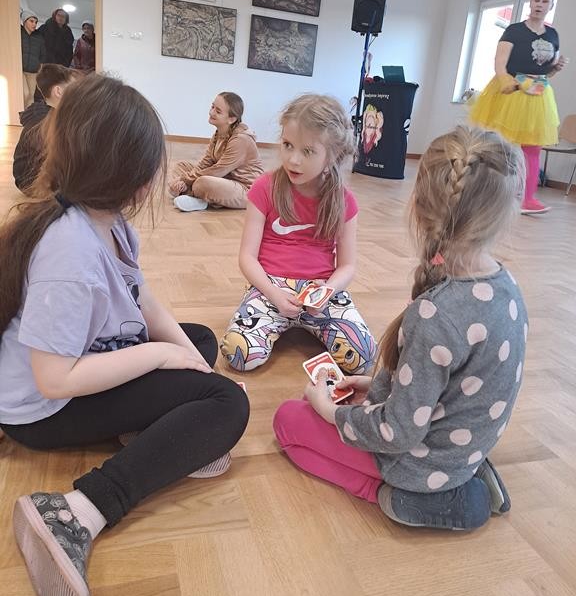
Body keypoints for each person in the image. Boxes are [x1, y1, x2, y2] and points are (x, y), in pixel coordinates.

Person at [0, 74, 249, 596]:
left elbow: (142, 297)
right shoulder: (69, 255)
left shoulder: (104, 221)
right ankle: (76, 511)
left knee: (199, 340)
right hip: (44, 408)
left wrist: (184, 355)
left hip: (80, 364)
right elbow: (53, 380)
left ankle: (149, 430)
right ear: (129, 180)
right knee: (228, 404)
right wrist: (161, 358)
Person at [274, 126, 527, 532]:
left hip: (418, 460)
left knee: (288, 421)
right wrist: (377, 386)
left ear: (420, 207)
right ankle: (462, 474)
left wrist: (331, 412)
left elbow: (397, 433)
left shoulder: (436, 314)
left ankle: (413, 497)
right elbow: (450, 384)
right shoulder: (507, 286)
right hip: (465, 445)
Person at [220, 94, 376, 374]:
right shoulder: (264, 187)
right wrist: (274, 294)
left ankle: (307, 324)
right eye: (288, 145)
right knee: (238, 352)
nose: (293, 159)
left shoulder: (344, 201)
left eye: (308, 151)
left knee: (363, 357)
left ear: (332, 155)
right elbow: (247, 258)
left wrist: (327, 291)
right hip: (269, 286)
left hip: (322, 289)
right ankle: (281, 321)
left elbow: (347, 266)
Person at [469, 0, 568, 214]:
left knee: (532, 148)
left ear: (551, 6)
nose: (540, 4)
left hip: (538, 95)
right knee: (499, 145)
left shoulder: (553, 34)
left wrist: (556, 68)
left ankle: (527, 199)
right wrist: (504, 79)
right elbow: (500, 62)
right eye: (537, 0)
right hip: (512, 90)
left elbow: (546, 71)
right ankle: (484, 193)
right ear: (530, 3)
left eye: (545, 1)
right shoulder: (514, 30)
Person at [169, 92, 263, 211]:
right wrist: (184, 179)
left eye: (218, 111)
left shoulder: (241, 139)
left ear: (232, 119)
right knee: (181, 166)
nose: (211, 112)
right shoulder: (219, 133)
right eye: (212, 107)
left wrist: (185, 180)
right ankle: (199, 198)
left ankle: (195, 196)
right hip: (224, 180)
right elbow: (206, 163)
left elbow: (218, 170)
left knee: (201, 183)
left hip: (246, 190)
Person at [13, 63, 79, 193]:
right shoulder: (44, 120)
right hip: (33, 182)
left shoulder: (44, 111)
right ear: (58, 91)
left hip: (29, 177)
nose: (78, 94)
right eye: (74, 89)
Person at [20, 10, 46, 108]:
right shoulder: (18, 32)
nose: (34, 24)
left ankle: (27, 116)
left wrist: (40, 67)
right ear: (24, 21)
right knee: (25, 93)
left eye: (36, 22)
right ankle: (17, 113)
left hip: (33, 71)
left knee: (31, 96)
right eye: (31, 21)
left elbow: (43, 54)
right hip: (20, 70)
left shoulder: (39, 36)